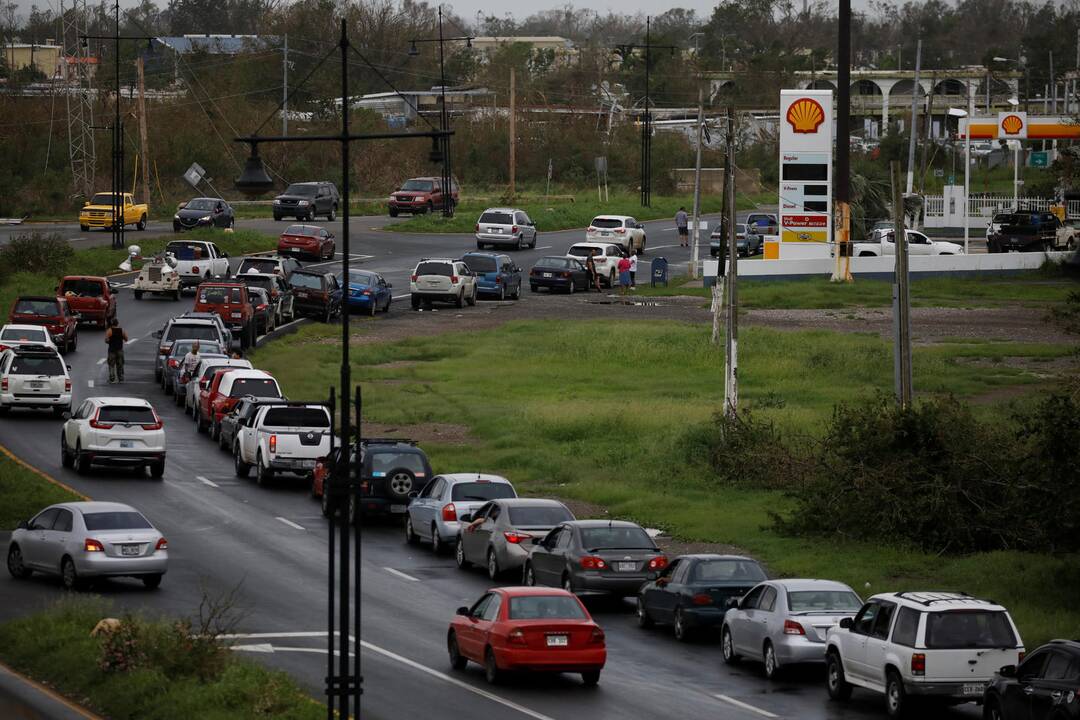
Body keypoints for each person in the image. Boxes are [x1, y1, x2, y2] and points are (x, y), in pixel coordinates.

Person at [104, 318, 127, 384]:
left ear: (112, 324)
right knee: (120, 364)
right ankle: (121, 378)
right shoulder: (121, 330)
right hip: (120, 350)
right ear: (117, 323)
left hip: (112, 350)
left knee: (111, 364)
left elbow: (106, 340)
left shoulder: (109, 331)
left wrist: (110, 341)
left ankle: (112, 379)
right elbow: (126, 339)